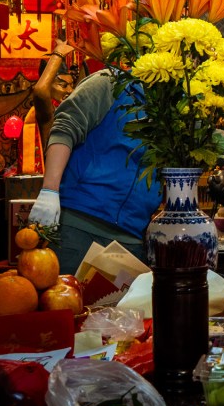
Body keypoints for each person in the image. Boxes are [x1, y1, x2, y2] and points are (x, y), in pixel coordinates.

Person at [26, 69, 162, 273]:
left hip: (132, 237)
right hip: (79, 224)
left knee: (121, 306)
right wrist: (49, 191)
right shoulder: (110, 82)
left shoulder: (171, 106)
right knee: (65, 301)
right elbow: (65, 127)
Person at [19, 41, 76, 175]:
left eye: (71, 85)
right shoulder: (49, 114)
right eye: (63, 85)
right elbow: (40, 91)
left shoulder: (71, 112)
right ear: (49, 86)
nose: (70, 90)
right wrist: (59, 53)